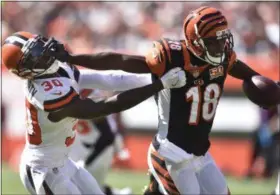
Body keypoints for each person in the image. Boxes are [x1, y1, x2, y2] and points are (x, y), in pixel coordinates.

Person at [49, 6, 280, 195]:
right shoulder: (172, 57)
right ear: (196, 41)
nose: (221, 47)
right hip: (172, 154)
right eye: (214, 41)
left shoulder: (222, 57)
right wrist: (72, 58)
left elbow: (247, 74)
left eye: (222, 40)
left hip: (200, 153)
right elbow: (121, 61)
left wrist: (268, 88)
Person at [1, 31, 186, 195]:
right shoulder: (45, 92)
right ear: (26, 70)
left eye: (39, 46)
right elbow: (104, 108)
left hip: (63, 162)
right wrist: (159, 85)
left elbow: (109, 80)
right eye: (34, 54)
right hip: (43, 170)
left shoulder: (57, 71)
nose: (43, 53)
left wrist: (153, 77)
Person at [70, 88, 133, 195]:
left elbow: (107, 136)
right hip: (83, 146)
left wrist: (88, 160)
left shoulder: (89, 96)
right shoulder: (66, 93)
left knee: (87, 189)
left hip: (99, 149)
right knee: (83, 186)